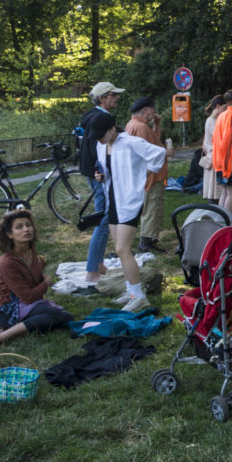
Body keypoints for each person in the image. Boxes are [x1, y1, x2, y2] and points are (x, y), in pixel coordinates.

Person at [92, 113, 166, 312]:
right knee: (119, 249)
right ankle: (130, 290)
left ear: (112, 130)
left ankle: (139, 296)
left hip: (130, 201)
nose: (98, 138)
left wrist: (142, 175)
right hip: (113, 200)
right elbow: (108, 168)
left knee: (123, 250)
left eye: (102, 134)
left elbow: (159, 154)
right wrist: (100, 175)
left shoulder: (131, 142)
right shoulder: (100, 145)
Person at [0, 210, 73, 350]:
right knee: (53, 314)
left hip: (30, 302)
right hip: (10, 310)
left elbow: (32, 279)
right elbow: (28, 297)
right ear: (9, 234)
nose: (26, 229)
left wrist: (40, 268)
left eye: (28, 225)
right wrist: (46, 283)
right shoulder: (6, 262)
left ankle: (10, 330)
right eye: (19, 227)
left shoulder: (31, 248)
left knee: (67, 318)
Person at [77, 81, 124, 283]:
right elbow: (97, 149)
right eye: (113, 95)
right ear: (103, 98)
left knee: (103, 216)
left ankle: (98, 264)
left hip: (92, 171)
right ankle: (91, 270)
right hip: (99, 173)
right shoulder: (103, 118)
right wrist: (99, 170)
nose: (117, 98)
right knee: (104, 219)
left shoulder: (89, 115)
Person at [125, 97, 174, 254]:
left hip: (142, 175)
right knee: (152, 207)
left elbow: (152, 144)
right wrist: (167, 152)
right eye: (153, 109)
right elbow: (153, 152)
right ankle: (147, 243)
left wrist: (156, 125)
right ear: (145, 110)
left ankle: (149, 240)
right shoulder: (141, 128)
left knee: (149, 207)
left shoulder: (133, 124)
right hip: (151, 175)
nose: (154, 112)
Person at [212, 90, 232, 214]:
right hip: (229, 162)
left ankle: (221, 219)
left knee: (225, 193)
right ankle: (228, 221)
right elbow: (229, 141)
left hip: (220, 160)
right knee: (231, 194)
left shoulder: (221, 115)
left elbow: (215, 139)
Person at [201, 95, 225, 205]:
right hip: (215, 157)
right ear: (218, 106)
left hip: (215, 156)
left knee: (215, 188)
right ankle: (216, 211)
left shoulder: (213, 120)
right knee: (215, 188)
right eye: (224, 108)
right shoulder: (212, 121)